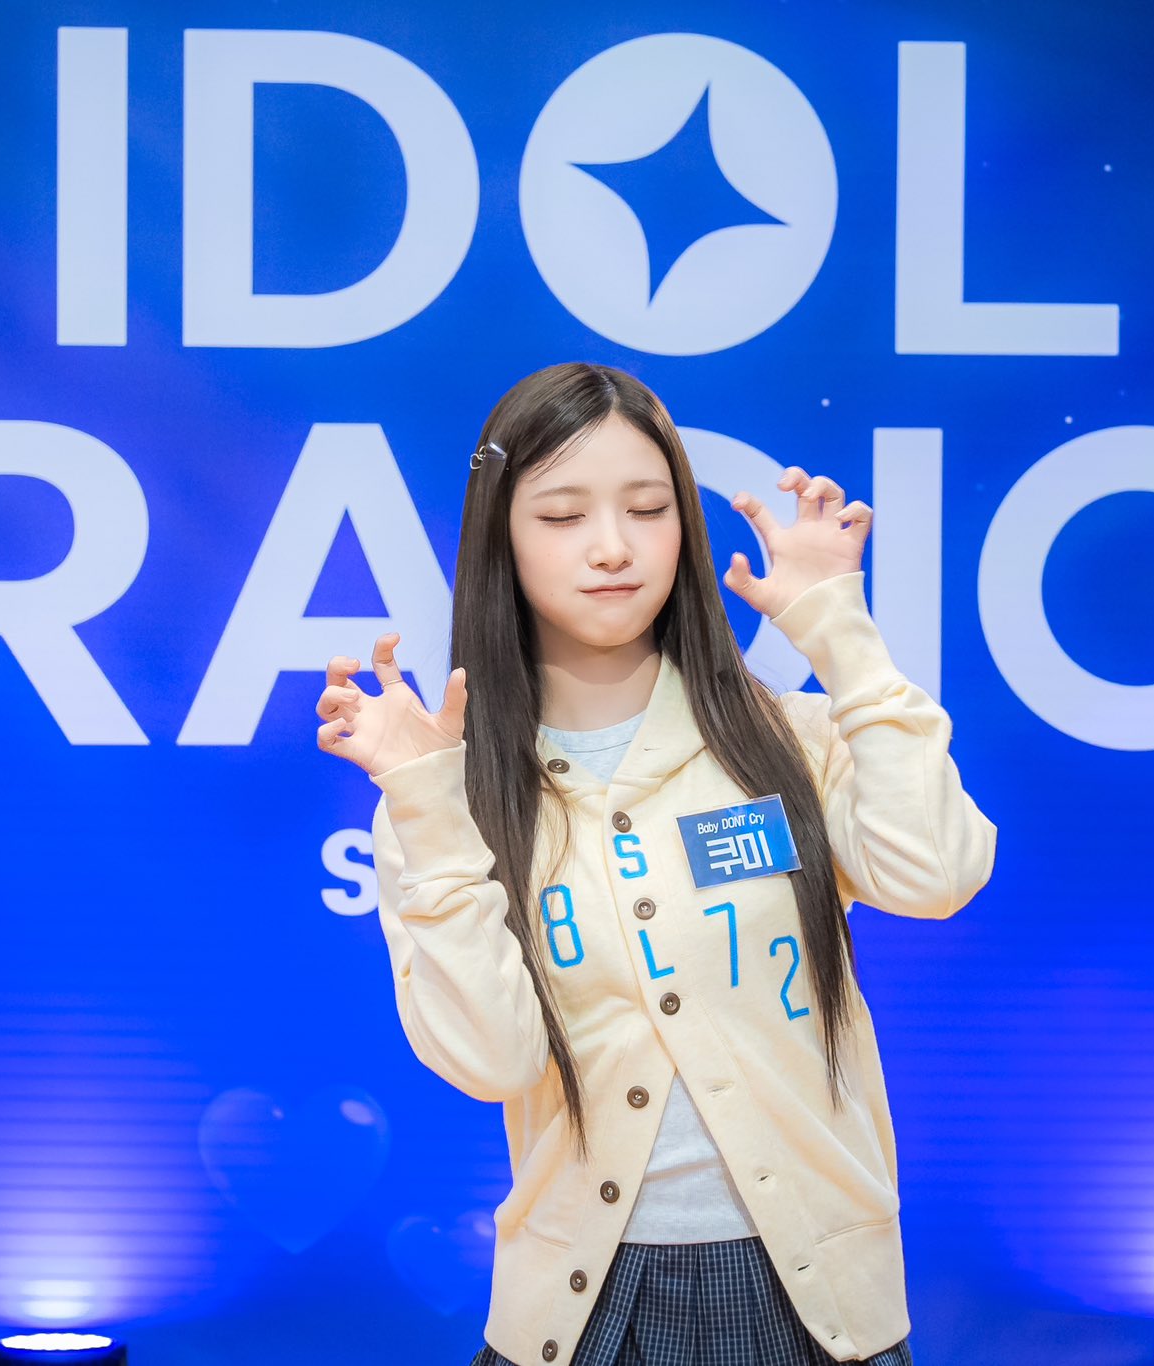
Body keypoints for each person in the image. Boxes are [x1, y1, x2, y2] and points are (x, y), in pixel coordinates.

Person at [314, 362, 997, 1366]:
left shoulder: (789, 742)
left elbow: (935, 873)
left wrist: (839, 634)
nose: (612, 547)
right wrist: (425, 801)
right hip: (581, 1309)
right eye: (562, 515)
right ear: (501, 535)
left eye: (647, 508)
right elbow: (492, 1061)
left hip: (817, 1301)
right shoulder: (446, 794)